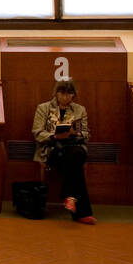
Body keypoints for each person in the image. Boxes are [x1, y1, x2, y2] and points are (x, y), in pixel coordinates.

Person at [32, 80, 96, 224]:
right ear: (56, 93)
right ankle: (80, 209)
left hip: (73, 145)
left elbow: (86, 133)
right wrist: (55, 136)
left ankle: (71, 198)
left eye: (69, 94)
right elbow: (37, 133)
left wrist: (76, 134)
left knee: (77, 154)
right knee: (76, 162)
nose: (66, 97)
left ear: (73, 95)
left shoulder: (80, 110)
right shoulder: (43, 108)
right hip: (52, 148)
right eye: (62, 93)